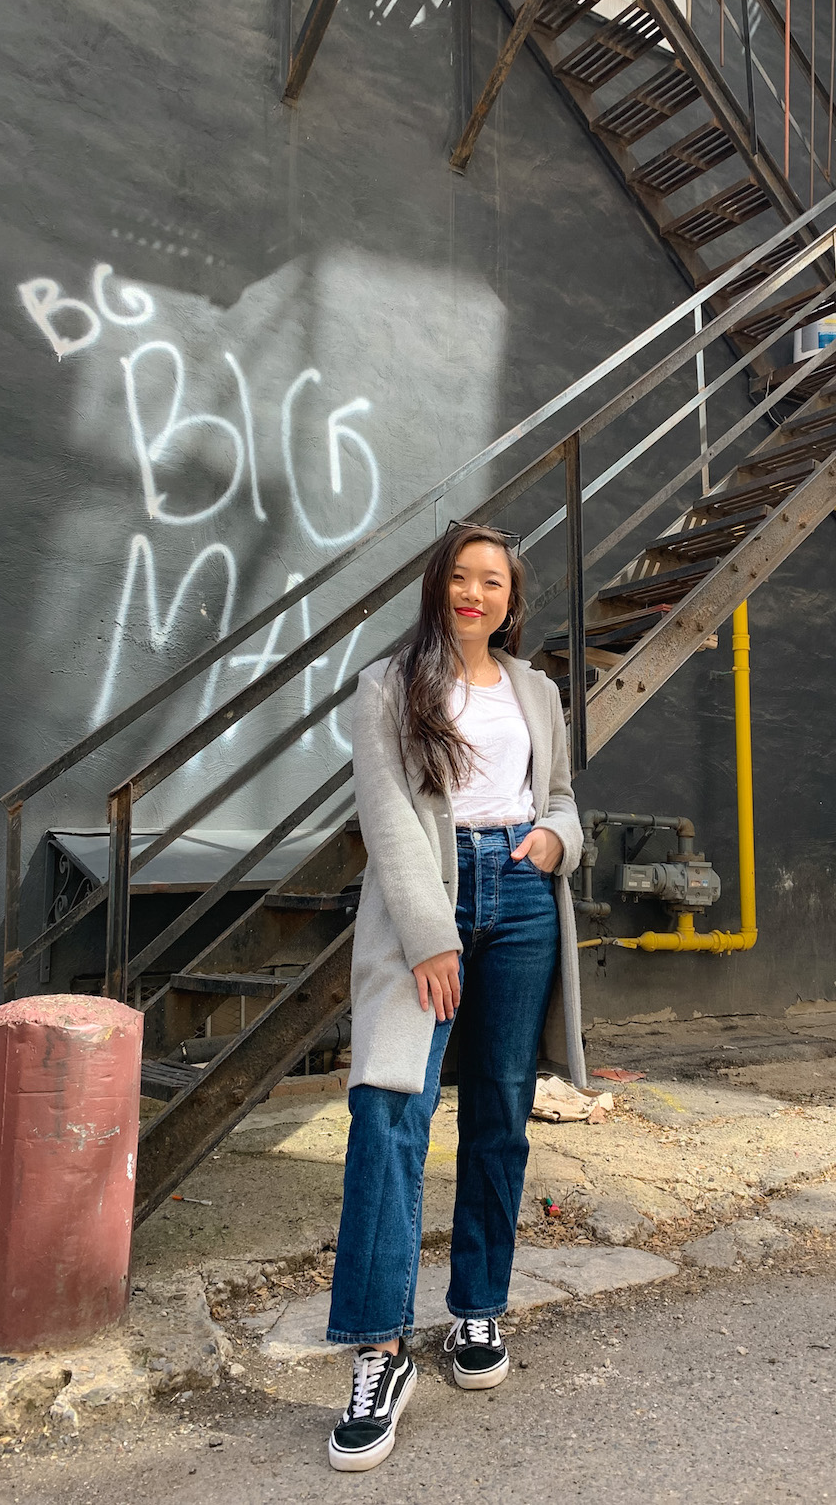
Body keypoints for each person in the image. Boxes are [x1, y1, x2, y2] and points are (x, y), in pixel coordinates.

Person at [325, 521, 584, 1472]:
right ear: (438, 587)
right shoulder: (390, 685)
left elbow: (557, 795)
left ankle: (477, 1310)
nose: (477, 593)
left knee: (500, 1114)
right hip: (422, 905)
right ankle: (379, 1349)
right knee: (390, 1111)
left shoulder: (538, 691)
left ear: (512, 600)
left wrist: (558, 841)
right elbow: (386, 810)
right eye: (462, 578)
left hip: (517, 895)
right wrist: (432, 934)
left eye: (495, 581)